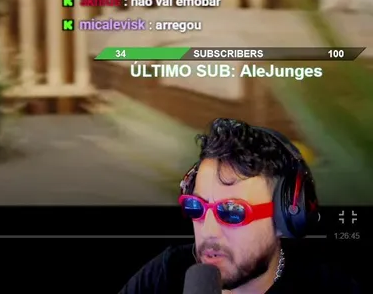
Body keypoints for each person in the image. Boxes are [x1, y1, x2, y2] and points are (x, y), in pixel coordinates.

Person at [120, 118, 361, 293]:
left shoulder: (331, 288)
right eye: (196, 207)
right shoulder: (165, 274)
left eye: (232, 212)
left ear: (284, 217)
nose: (208, 232)